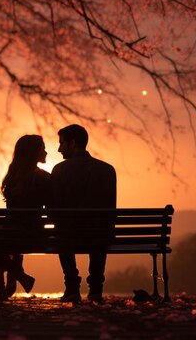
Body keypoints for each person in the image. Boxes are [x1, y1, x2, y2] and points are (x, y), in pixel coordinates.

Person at [0, 134, 51, 301]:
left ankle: (4, 283)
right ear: (33, 152)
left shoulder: (12, 176)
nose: (46, 152)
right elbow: (51, 210)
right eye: (42, 148)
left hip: (14, 234)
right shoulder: (44, 178)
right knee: (0, 234)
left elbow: (12, 213)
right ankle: (16, 276)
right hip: (34, 235)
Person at [51, 124, 116, 303]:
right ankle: (96, 288)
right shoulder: (107, 170)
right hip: (99, 236)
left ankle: (72, 286)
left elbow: (54, 211)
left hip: (69, 237)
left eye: (61, 143)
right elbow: (110, 210)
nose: (58, 149)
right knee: (101, 227)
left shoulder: (59, 170)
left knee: (61, 231)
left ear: (72, 143)